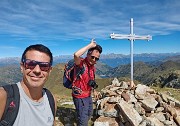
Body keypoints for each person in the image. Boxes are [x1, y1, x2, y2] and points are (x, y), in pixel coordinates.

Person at [0, 44, 57, 126]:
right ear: (22, 67)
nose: (37, 70)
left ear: (50, 71)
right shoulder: (4, 97)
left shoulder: (51, 100)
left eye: (44, 66)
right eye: (31, 64)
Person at [73, 39, 102, 126]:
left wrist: (94, 90)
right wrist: (90, 45)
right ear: (88, 54)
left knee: (89, 113)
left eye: (97, 59)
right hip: (80, 96)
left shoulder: (92, 67)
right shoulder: (81, 64)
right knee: (83, 119)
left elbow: (91, 80)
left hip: (88, 95)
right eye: (92, 57)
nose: (94, 60)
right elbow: (76, 55)